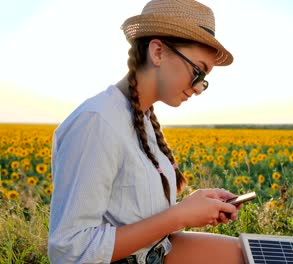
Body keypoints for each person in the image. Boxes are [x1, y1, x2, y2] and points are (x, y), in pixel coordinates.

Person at [48, 0, 244, 263]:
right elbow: (70, 250)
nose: (198, 88)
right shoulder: (97, 122)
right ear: (158, 52)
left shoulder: (143, 118)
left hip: (155, 253)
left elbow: (132, 214)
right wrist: (180, 216)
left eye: (204, 81)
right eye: (197, 72)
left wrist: (193, 206)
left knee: (247, 254)